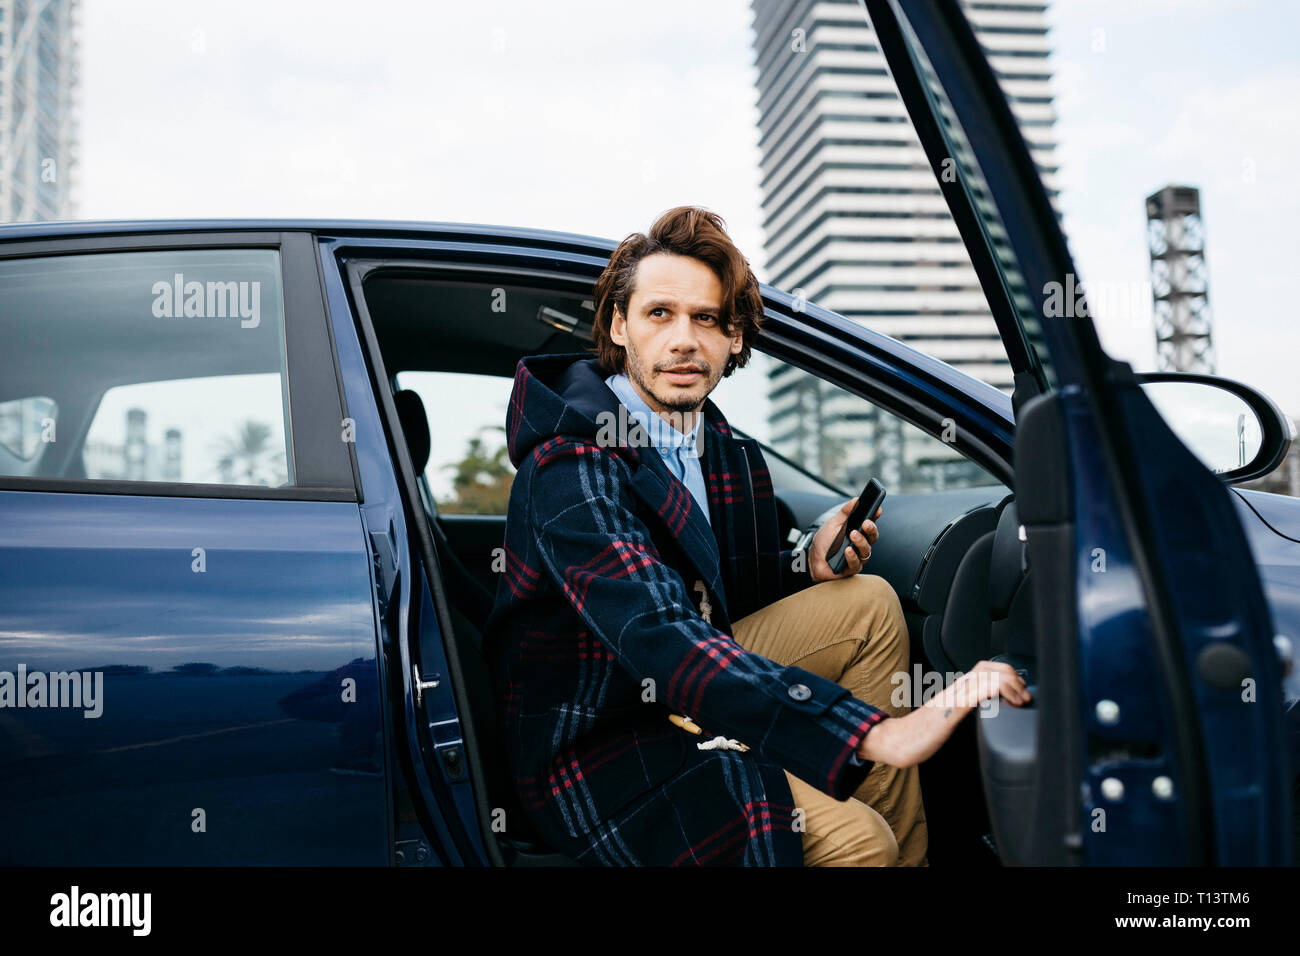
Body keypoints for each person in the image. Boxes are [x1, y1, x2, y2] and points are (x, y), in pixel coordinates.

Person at [482, 205, 1030, 866]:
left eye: (706, 318)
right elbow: (658, 631)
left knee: (867, 603)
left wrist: (804, 565)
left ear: (734, 336)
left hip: (688, 684)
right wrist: (877, 735)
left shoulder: (722, 450)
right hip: (603, 732)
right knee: (859, 842)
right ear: (619, 325)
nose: (683, 340)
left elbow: (718, 588)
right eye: (660, 314)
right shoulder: (571, 461)